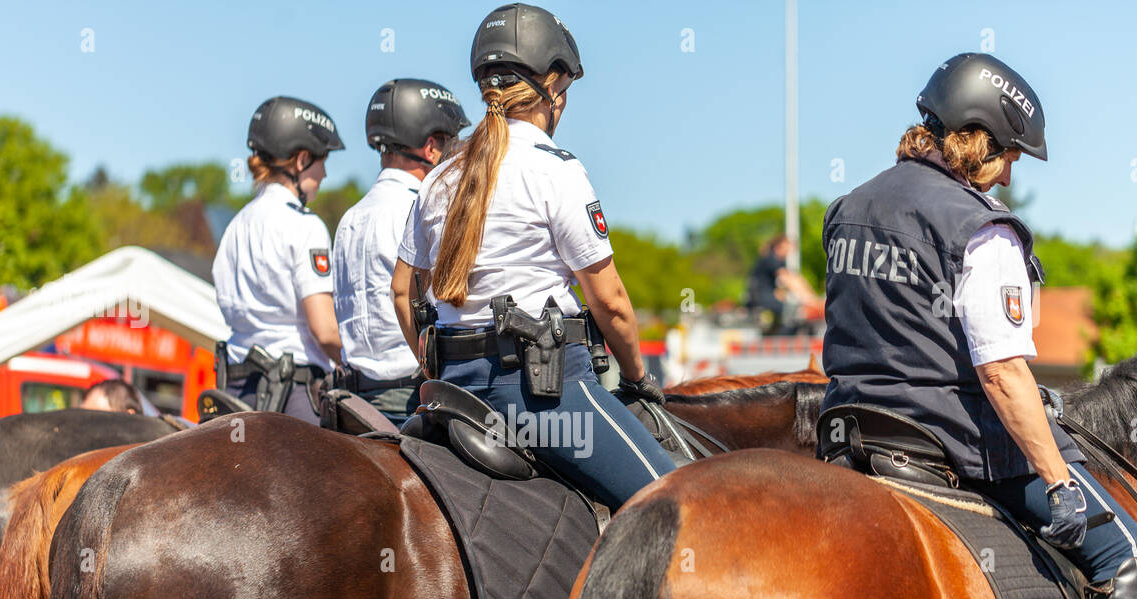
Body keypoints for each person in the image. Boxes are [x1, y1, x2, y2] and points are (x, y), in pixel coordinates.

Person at [818, 52, 1137, 599]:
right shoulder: (979, 229)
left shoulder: (850, 207)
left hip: (847, 438)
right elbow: (1004, 375)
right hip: (949, 443)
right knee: (1121, 551)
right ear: (978, 137)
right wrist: (1058, 478)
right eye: (1010, 153)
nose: (1011, 176)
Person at [392, 2, 676, 510]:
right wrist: (637, 379)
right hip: (541, 395)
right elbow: (609, 302)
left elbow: (404, 293)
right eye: (564, 89)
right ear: (551, 85)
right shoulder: (556, 170)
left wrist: (435, 364)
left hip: (452, 393)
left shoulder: (438, 177)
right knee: (678, 504)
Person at [332, 79, 470, 427]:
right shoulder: (423, 208)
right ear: (429, 149)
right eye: (449, 145)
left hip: (352, 402)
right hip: (408, 398)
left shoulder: (350, 218)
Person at [213, 96, 346, 424]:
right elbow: (325, 331)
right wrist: (363, 361)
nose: (325, 173)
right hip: (293, 396)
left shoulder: (235, 225)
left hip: (235, 388)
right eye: (322, 160)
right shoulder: (305, 225)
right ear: (301, 160)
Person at [746, 234, 824, 331]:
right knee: (798, 313)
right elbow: (789, 280)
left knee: (794, 312)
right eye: (788, 248)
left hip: (762, 298)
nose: (789, 252)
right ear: (780, 246)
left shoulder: (773, 259)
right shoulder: (772, 259)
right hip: (761, 300)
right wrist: (812, 301)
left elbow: (788, 282)